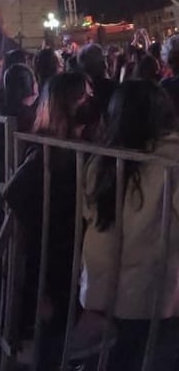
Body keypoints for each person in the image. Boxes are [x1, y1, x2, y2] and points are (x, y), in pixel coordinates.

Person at [80, 80, 179, 370]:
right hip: (154, 294)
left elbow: (89, 215)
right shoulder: (172, 160)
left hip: (104, 290)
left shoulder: (100, 160)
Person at [2, 71, 93, 368]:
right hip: (54, 256)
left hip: (68, 253)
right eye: (84, 96)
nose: (90, 101)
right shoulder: (50, 151)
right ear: (67, 103)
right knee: (54, 332)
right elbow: (16, 192)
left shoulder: (72, 144)